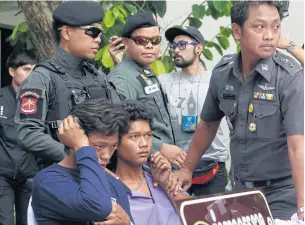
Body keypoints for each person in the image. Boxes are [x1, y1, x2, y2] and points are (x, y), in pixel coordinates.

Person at [176, 1, 304, 220]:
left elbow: (297, 144)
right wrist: (187, 168)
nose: (269, 35)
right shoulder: (222, 74)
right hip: (240, 192)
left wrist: (302, 208)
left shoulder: (288, 76)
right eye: (259, 27)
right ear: (237, 31)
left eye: (275, 27)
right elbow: (208, 124)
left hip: (282, 195)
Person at [15, 1, 120, 168]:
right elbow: (28, 133)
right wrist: (75, 155)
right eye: (92, 32)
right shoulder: (42, 78)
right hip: (60, 179)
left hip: (100, 174)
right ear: (66, 32)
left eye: (100, 34)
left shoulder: (98, 77)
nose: (98, 40)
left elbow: (121, 118)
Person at [31, 98, 134, 225]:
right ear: (75, 140)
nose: (107, 156)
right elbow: (98, 206)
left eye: (113, 146)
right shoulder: (48, 181)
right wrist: (82, 149)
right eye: (99, 146)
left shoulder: (112, 182)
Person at [108, 11, 186, 169]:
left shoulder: (145, 71)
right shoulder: (121, 79)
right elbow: (123, 128)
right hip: (145, 168)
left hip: (162, 164)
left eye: (155, 40)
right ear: (126, 42)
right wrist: (161, 148)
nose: (150, 46)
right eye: (142, 40)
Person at [158, 25, 229, 196]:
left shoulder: (216, 79)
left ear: (199, 48)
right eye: (174, 46)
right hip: (176, 166)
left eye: (182, 44)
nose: (176, 50)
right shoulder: (164, 81)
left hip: (213, 164)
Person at [114, 101, 188, 225]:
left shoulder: (159, 175)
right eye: (134, 136)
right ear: (115, 142)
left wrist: (167, 186)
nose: (144, 144)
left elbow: (199, 214)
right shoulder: (111, 191)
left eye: (148, 135)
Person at [0, 50, 38, 225]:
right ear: (12, 71)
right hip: (3, 175)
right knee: (5, 221)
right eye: (26, 69)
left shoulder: (40, 101)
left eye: (34, 70)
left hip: (30, 175)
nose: (32, 75)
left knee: (28, 221)